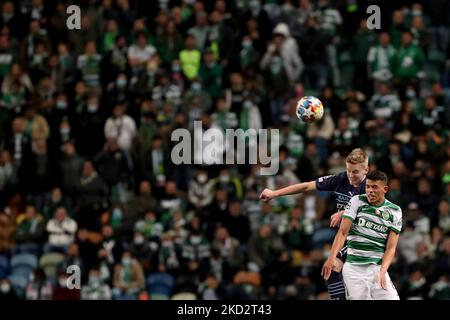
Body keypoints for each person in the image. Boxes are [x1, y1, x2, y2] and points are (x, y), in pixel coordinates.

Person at [260, 148, 369, 300]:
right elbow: (306, 186)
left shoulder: (371, 187)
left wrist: (344, 212)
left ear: (366, 170)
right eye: (349, 170)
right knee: (331, 269)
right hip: (348, 239)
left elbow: (373, 210)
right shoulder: (340, 179)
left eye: (355, 172)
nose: (351, 175)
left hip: (368, 240)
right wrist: (274, 193)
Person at [321, 170, 401, 300]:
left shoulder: (395, 211)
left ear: (385, 189)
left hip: (377, 267)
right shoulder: (356, 201)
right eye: (368, 186)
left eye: (374, 187)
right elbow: (342, 233)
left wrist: (382, 271)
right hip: (354, 269)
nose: (370, 190)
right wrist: (331, 257)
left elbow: (391, 248)